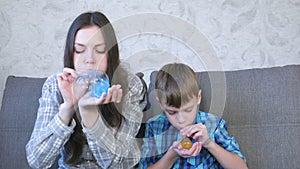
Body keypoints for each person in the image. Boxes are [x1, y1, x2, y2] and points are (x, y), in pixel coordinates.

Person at [26, 11, 147, 169]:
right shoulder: (55, 85)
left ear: (111, 54)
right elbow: (36, 161)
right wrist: (68, 108)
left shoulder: (130, 86)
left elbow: (119, 164)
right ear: (70, 53)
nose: (89, 59)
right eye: (80, 50)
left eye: (100, 50)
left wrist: (89, 114)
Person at [139, 63, 248, 169]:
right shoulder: (154, 126)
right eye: (172, 112)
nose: (181, 120)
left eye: (188, 110)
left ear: (198, 97)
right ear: (160, 103)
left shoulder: (213, 123)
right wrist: (172, 154)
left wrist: (209, 143)